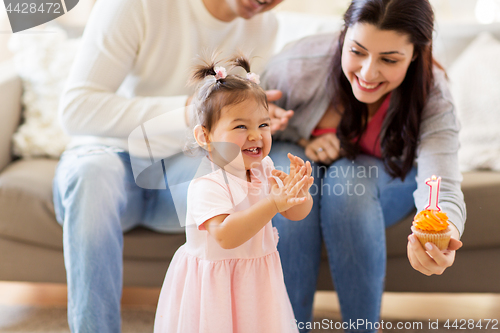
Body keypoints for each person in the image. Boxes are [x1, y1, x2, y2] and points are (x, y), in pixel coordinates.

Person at [52, 0, 293, 331]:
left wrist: (254, 122)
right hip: (111, 156)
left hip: (185, 167)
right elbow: (76, 109)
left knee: (248, 186)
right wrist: (192, 110)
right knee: (92, 175)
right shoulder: (135, 6)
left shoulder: (264, 26)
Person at [260, 0, 466, 332]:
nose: (368, 73)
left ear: (415, 54)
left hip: (376, 183)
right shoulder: (296, 66)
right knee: (293, 189)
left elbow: (440, 182)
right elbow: (235, 135)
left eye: (389, 59)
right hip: (302, 167)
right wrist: (292, 139)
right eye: (357, 51)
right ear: (344, 37)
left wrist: (443, 234)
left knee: (347, 182)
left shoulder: (433, 93)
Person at [154, 55, 313, 332]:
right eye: (241, 126)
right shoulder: (208, 184)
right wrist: (273, 203)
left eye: (263, 125)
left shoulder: (265, 168)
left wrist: (298, 194)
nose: (255, 135)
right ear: (205, 137)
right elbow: (226, 236)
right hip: (215, 287)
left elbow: (294, 213)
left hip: (257, 282)